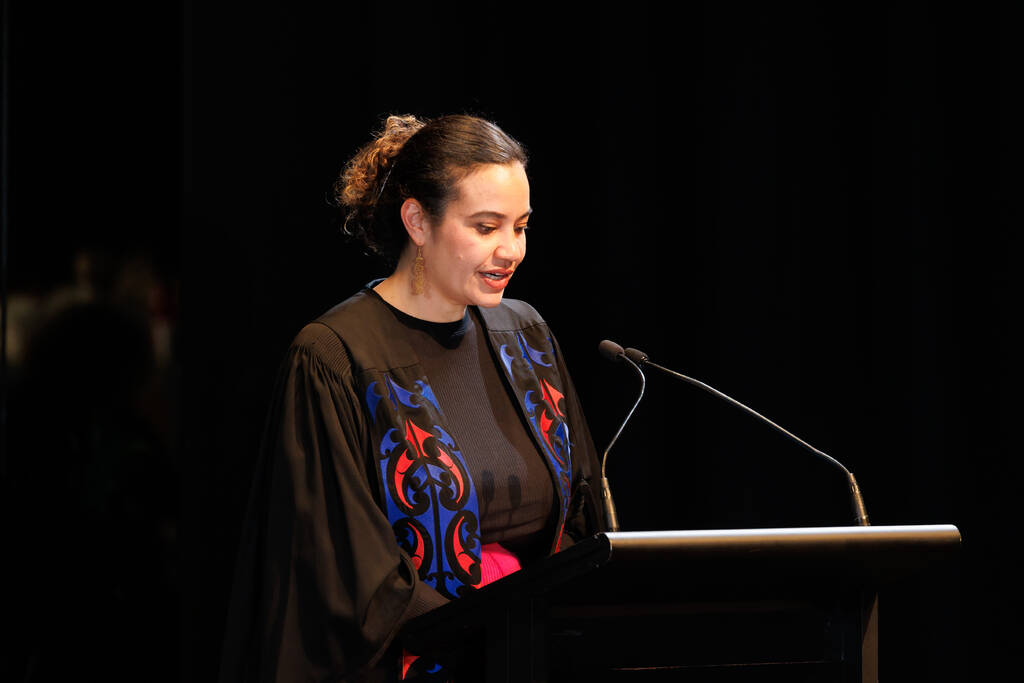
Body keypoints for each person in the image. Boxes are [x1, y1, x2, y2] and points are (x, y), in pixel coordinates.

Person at [218, 114, 605, 682]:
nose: (511, 250)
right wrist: (488, 629)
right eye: (485, 226)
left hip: (528, 651)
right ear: (417, 220)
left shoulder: (527, 338)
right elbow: (348, 571)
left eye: (520, 227)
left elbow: (581, 511)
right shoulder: (336, 356)